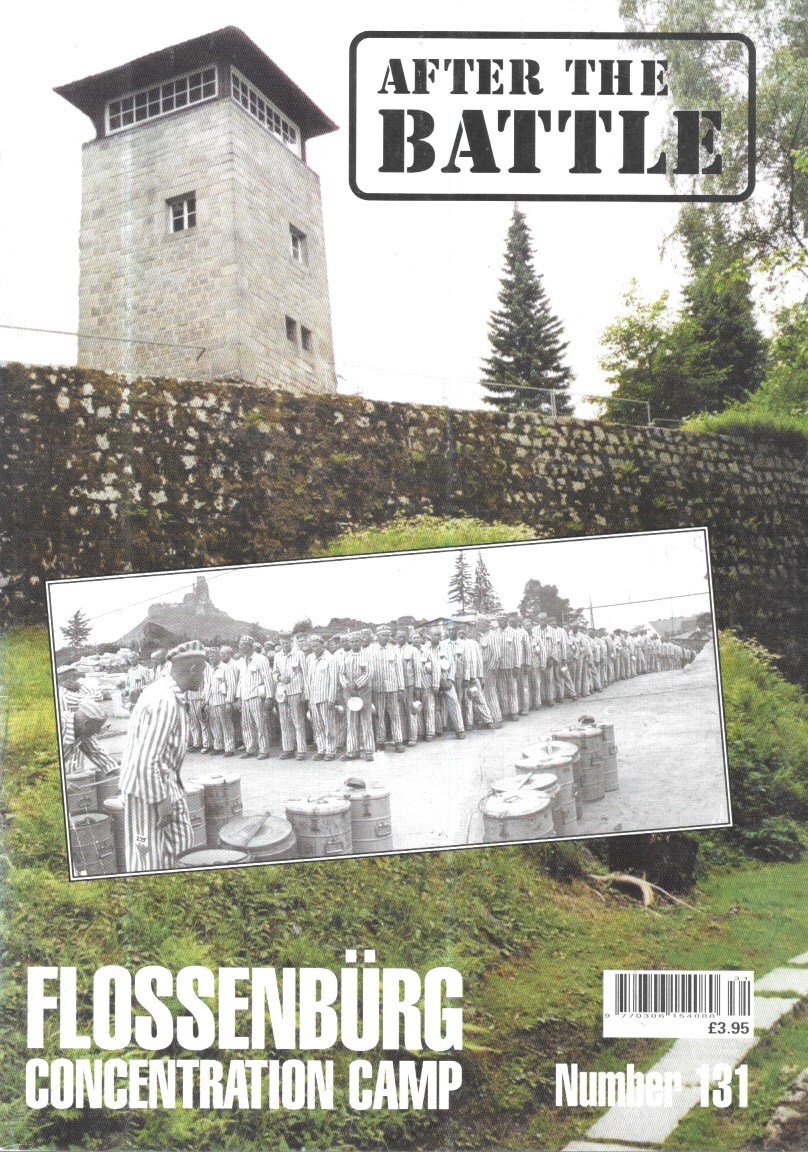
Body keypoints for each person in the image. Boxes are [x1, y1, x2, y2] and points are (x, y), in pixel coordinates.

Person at [119, 639, 204, 872]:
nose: (204, 678)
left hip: (165, 783)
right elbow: (146, 759)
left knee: (181, 845)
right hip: (146, 790)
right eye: (202, 672)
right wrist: (161, 800)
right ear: (193, 669)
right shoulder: (164, 700)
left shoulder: (164, 692)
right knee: (144, 850)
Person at [236, 634, 274, 760]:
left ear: (250, 646)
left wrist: (269, 697)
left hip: (257, 696)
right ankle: (250, 749)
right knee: (246, 725)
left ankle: (264, 750)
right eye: (240, 644)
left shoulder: (261, 659)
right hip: (245, 697)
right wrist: (239, 697)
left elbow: (267, 678)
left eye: (243, 645)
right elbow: (240, 680)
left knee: (260, 724)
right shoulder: (241, 661)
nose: (240, 647)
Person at [368, 626, 405, 752]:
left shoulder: (394, 649)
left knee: (395, 715)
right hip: (377, 688)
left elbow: (399, 670)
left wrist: (401, 688)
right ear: (377, 636)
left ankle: (398, 741)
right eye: (382, 635)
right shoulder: (370, 650)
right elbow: (368, 671)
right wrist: (370, 688)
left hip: (393, 688)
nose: (385, 638)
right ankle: (380, 741)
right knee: (379, 716)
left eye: (387, 635)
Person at [340, 632, 374, 762]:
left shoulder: (368, 654)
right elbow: (341, 673)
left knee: (366, 721)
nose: (354, 643)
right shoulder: (345, 656)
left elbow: (369, 673)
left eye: (357, 641)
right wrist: (348, 685)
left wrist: (356, 684)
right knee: (351, 722)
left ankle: (369, 750)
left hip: (364, 691)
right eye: (352, 641)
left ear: (361, 642)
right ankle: (352, 751)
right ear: (349, 643)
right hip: (349, 692)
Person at [274, 631, 308, 761]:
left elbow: (305, 674)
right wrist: (280, 677)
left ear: (291, 642)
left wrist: (305, 691)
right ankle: (288, 748)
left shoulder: (299, 654)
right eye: (283, 642)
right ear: (280, 642)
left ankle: (301, 750)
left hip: (296, 691)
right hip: (282, 692)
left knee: (298, 721)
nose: (285, 644)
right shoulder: (278, 656)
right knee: (284, 721)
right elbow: (274, 673)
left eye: (287, 642)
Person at [304, 634, 337, 760]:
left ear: (323, 645)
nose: (315, 649)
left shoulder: (330, 658)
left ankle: (330, 750)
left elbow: (333, 681)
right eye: (312, 646)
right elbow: (308, 679)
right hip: (313, 698)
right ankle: (321, 749)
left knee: (329, 725)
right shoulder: (310, 658)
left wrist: (331, 699)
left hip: (325, 698)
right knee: (317, 726)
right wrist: (308, 697)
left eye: (317, 646)